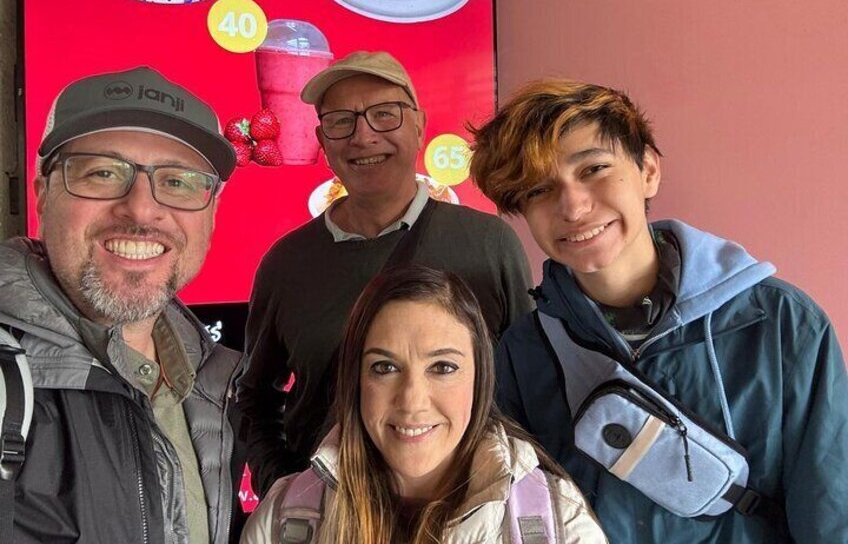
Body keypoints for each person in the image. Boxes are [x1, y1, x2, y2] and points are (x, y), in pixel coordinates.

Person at [467, 79, 848, 543]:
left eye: (594, 169)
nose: (573, 206)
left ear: (647, 170)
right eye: (539, 190)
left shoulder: (779, 322)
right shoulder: (524, 352)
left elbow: (830, 508)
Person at [238, 51, 534, 497]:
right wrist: (283, 487)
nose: (363, 136)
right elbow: (254, 398)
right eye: (341, 121)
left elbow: (531, 386)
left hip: (466, 509)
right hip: (330, 511)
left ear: (419, 126)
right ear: (322, 140)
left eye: (384, 114)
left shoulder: (489, 244)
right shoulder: (286, 262)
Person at [0, 66, 245, 543]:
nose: (141, 209)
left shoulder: (211, 382)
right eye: (103, 173)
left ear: (212, 214)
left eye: (178, 182)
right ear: (43, 196)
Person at [241, 265, 606, 543]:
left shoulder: (560, 521)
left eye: (443, 367)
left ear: (480, 378)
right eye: (385, 367)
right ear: (355, 381)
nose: (412, 400)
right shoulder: (281, 521)